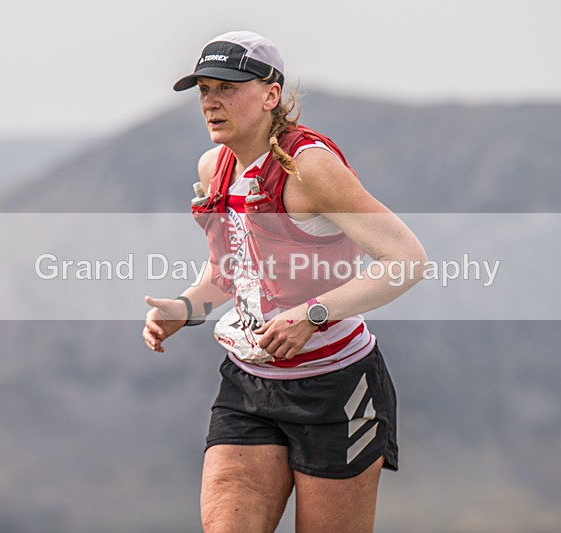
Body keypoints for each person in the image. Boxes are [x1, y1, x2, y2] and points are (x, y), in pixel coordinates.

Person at [143, 31, 427, 533]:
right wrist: (184, 308)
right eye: (204, 90)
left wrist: (311, 313)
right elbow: (234, 269)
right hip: (249, 386)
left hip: (337, 388)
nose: (211, 102)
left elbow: (406, 259)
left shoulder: (311, 168)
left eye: (228, 88)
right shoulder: (215, 167)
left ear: (271, 95)